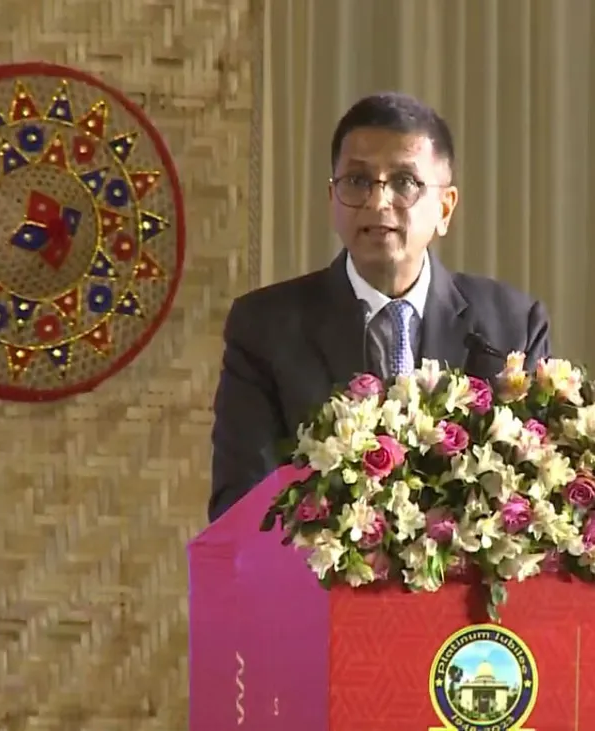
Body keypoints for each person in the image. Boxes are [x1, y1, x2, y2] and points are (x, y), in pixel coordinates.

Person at [208, 92, 552, 522]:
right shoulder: (265, 328)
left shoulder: (512, 326)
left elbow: (535, 500)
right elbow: (240, 509)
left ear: (445, 208)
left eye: (404, 182)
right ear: (332, 199)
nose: (377, 202)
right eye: (357, 181)